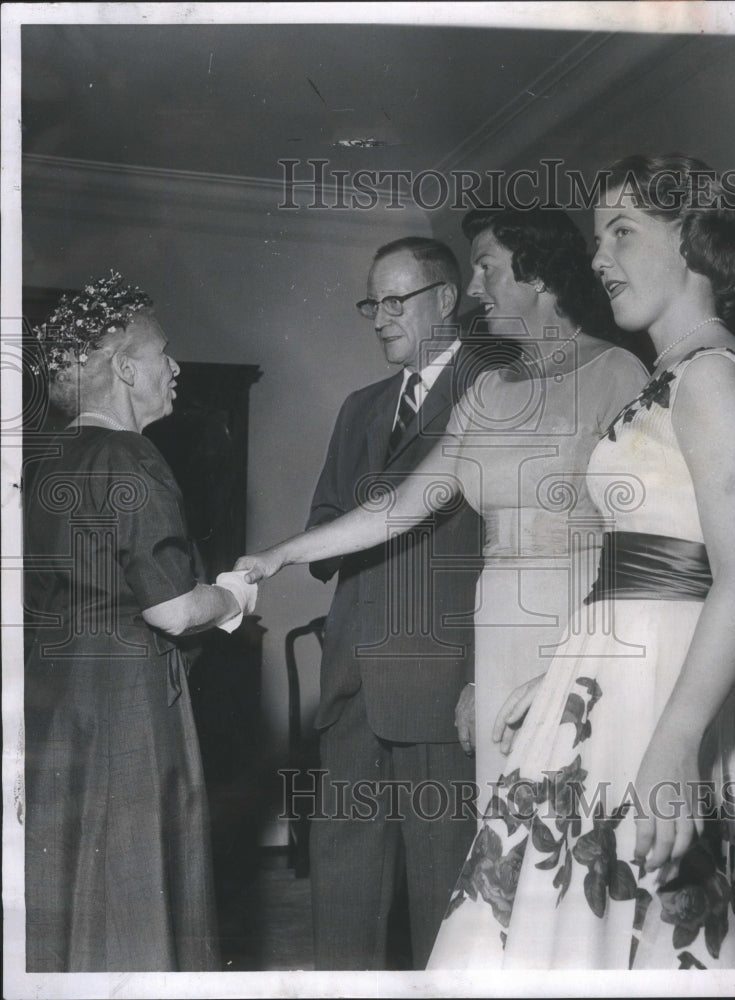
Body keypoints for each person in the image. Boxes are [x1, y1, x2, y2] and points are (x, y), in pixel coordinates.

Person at [236, 214, 647, 954]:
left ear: (541, 277)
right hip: (499, 639)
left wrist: (578, 653)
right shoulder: (487, 392)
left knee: (568, 858)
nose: (474, 289)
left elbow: (645, 536)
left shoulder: (620, 373)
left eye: (487, 269)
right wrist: (277, 556)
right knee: (494, 867)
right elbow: (396, 507)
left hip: (578, 633)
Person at [423, 154, 735, 969]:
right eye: (596, 238)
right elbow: (646, 560)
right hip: (617, 679)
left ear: (693, 240)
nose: (597, 258)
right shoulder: (676, 372)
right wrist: (558, 674)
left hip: (665, 696)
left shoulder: (711, 377)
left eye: (623, 232)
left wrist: (675, 745)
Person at [24, 271, 257, 972]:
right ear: (127, 369)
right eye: (164, 353)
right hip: (127, 695)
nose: (176, 366)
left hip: (57, 693)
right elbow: (172, 608)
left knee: (68, 874)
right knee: (134, 882)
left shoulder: (43, 461)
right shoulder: (132, 457)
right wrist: (232, 597)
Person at [294, 237, 500, 970]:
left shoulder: (500, 388)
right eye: (370, 304)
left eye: (395, 301)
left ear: (446, 298)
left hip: (442, 679)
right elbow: (323, 520)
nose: (379, 318)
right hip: (352, 673)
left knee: (445, 890)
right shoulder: (359, 409)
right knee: (343, 889)